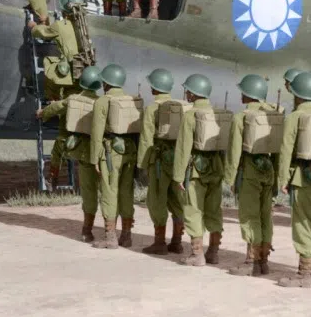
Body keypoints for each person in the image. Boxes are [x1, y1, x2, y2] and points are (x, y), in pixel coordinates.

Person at [277, 72, 311, 288]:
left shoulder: (294, 118)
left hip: (303, 180)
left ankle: (303, 274)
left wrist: (283, 178)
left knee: (304, 226)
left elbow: (286, 149)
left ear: (297, 94)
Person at [36, 66, 103, 241]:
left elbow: (55, 108)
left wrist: (42, 113)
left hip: (78, 150)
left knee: (58, 147)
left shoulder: (73, 99)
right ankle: (114, 232)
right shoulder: (102, 102)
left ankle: (53, 176)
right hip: (100, 153)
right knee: (107, 192)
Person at [225, 74, 278, 276]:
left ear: (248, 95)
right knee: (265, 215)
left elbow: (234, 151)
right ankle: (263, 261)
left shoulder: (241, 117)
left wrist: (230, 178)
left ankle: (251, 261)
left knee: (249, 216)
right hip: (269, 170)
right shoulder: (274, 115)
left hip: (249, 172)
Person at [31, 0, 85, 188]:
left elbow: (42, 34)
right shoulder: (85, 30)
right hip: (82, 81)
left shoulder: (61, 26)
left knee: (63, 133)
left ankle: (53, 175)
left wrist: (34, 27)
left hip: (68, 80)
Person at [173, 73, 225, 266]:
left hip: (195, 170)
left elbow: (183, 147)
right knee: (214, 210)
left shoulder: (190, 115)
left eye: (188, 90)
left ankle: (197, 254)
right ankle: (214, 253)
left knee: (193, 209)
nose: (187, 93)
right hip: (216, 168)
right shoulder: (218, 114)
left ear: (193, 94)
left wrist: (178, 175)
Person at [89, 64, 139, 249]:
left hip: (110, 153)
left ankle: (110, 237)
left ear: (107, 82)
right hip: (130, 151)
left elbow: (96, 133)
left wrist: (94, 158)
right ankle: (127, 236)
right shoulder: (131, 100)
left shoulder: (103, 101)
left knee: (109, 192)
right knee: (126, 192)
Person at [136, 68, 185, 255]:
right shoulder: (182, 106)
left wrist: (142, 165)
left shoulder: (152, 108)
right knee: (176, 199)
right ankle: (177, 242)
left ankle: (159, 243)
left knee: (157, 199)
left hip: (158, 160)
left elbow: (147, 138)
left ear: (154, 88)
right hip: (178, 158)